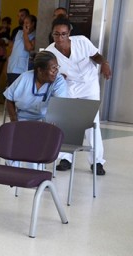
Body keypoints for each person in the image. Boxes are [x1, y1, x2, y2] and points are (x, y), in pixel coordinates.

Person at [46, 17, 112, 175]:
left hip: (89, 85)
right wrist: (57, 75)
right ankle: (65, 158)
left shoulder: (82, 41)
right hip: (69, 87)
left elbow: (96, 56)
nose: (60, 38)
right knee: (66, 122)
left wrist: (104, 63)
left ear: (69, 33)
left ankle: (97, 162)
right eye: (56, 34)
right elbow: (50, 73)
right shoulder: (50, 52)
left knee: (92, 121)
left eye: (63, 34)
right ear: (52, 33)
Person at [3, 51, 67, 168]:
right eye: (52, 69)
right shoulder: (25, 78)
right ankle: (12, 170)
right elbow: (9, 98)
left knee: (36, 138)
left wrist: (51, 122)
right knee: (16, 136)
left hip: (44, 120)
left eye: (57, 68)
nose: (56, 72)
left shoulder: (58, 81)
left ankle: (36, 173)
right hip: (22, 118)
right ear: (40, 70)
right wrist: (14, 121)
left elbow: (60, 104)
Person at [6, 15, 36, 86]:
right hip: (12, 67)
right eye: (24, 23)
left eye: (27, 23)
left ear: (33, 24)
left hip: (22, 69)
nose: (24, 25)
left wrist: (25, 33)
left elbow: (28, 48)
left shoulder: (35, 35)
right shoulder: (19, 33)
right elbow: (12, 49)